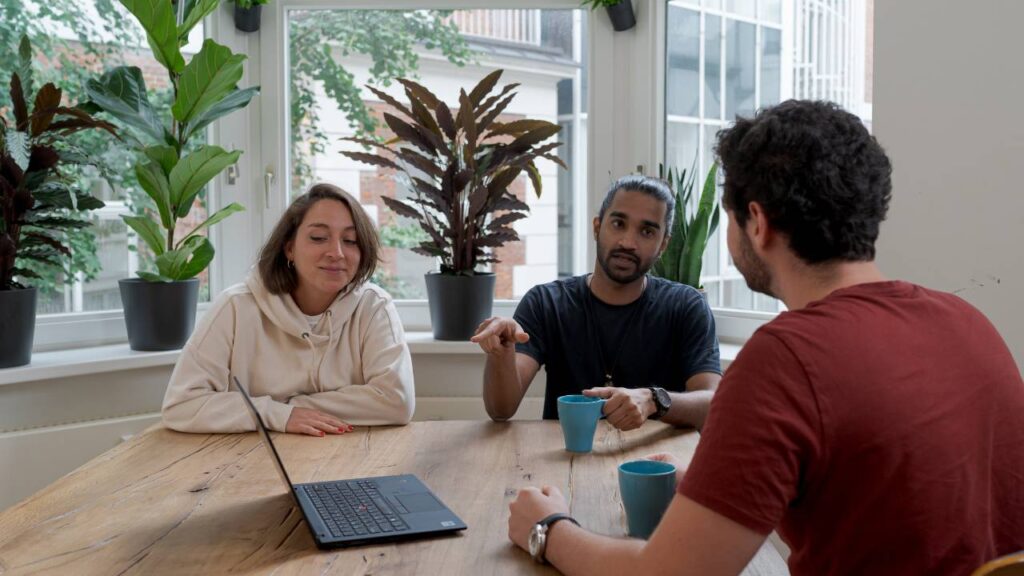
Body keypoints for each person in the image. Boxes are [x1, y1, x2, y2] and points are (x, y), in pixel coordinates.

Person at [506, 100, 1024, 575]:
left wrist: (548, 528)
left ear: (756, 223)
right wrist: (728, 491)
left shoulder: (786, 358)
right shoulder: (969, 322)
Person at [162, 183, 415, 436]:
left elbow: (397, 401)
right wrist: (277, 415)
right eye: (318, 238)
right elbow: (181, 405)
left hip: (349, 455)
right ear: (289, 247)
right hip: (247, 460)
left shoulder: (374, 306)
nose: (337, 253)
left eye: (350, 241)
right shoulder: (235, 308)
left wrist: (288, 407)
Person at [472, 175, 722, 431]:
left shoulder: (686, 306)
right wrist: (501, 355)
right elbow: (500, 410)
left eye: (647, 231)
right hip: (567, 462)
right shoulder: (546, 303)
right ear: (597, 227)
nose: (628, 242)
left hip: (653, 466)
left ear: (663, 246)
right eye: (618, 223)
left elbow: (714, 405)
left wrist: (654, 400)